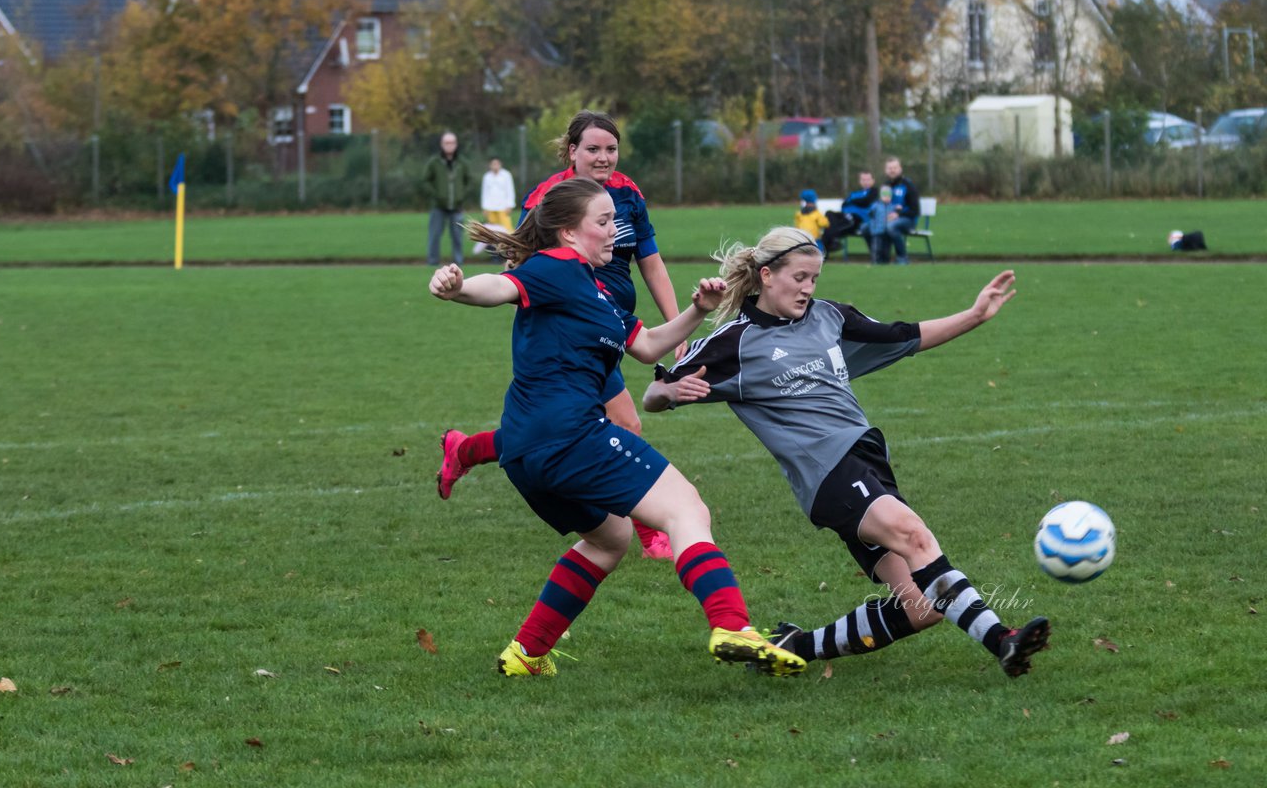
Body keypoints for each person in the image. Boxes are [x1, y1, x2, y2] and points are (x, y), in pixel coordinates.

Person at [428, 178, 807, 679]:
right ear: (567, 232)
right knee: (686, 508)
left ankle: (526, 653)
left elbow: (647, 346)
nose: (615, 231)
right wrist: (457, 290)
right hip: (571, 438)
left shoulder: (596, 290)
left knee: (610, 540)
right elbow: (500, 287)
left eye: (615, 220)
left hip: (524, 452)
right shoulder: (554, 268)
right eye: (603, 222)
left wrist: (697, 310)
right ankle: (733, 625)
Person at [643, 227, 1050, 679]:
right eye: (799, 277)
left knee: (920, 608)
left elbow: (905, 335)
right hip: (827, 474)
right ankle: (1002, 641)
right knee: (913, 535)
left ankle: (795, 645)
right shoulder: (735, 343)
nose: (808, 288)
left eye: (814, 279)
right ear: (766, 275)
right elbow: (654, 394)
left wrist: (975, 315)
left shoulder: (830, 317)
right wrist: (670, 391)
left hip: (867, 462)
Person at [437, 111, 685, 560]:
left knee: (556, 428)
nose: (603, 157)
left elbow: (650, 259)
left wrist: (674, 320)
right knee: (623, 422)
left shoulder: (628, 194)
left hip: (614, 327)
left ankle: (464, 449)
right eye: (592, 149)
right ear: (572, 151)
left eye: (611, 149)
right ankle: (652, 532)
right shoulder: (552, 196)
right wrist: (472, 289)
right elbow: (518, 262)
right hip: (573, 330)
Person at [423, 131, 472, 266]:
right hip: (438, 206)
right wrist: (436, 195)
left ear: (456, 145)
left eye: (452, 143)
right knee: (434, 235)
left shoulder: (462, 163)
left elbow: (469, 181)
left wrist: (461, 195)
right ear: (441, 144)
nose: (449, 145)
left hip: (457, 207)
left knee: (457, 236)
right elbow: (426, 180)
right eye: (446, 143)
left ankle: (458, 262)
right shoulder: (434, 162)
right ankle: (432, 262)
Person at [818, 172, 876, 260]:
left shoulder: (874, 192)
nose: (866, 182)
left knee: (829, 230)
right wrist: (854, 201)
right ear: (860, 181)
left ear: (873, 181)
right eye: (863, 180)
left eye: (868, 180)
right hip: (845, 216)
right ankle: (833, 242)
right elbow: (843, 205)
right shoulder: (854, 193)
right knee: (829, 213)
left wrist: (852, 201)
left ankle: (824, 253)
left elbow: (865, 201)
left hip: (857, 219)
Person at [883, 156, 920, 265]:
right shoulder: (885, 186)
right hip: (888, 219)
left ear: (900, 169)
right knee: (868, 227)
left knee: (891, 226)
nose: (892, 170)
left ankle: (902, 257)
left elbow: (915, 210)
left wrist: (898, 214)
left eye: (895, 168)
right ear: (886, 170)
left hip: (908, 220)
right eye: (889, 168)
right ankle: (880, 258)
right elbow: (882, 205)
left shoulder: (908, 185)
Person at [480, 156, 517, 232]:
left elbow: (510, 190)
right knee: (493, 231)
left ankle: (510, 244)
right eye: (493, 164)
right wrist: (485, 207)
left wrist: (510, 205)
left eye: (497, 164)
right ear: (490, 165)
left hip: (503, 207)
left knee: (508, 230)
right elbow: (484, 193)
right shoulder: (487, 176)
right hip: (490, 207)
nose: (495, 166)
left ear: (500, 164)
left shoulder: (506, 175)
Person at [793, 189, 829, 253]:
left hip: (802, 239)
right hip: (814, 240)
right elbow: (824, 224)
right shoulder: (816, 213)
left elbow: (797, 227)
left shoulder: (799, 214)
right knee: (818, 255)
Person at [868, 185, 894, 265]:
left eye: (889, 196)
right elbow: (871, 217)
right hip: (877, 231)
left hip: (887, 231)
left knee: (886, 248)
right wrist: (873, 228)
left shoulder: (892, 207)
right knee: (876, 247)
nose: (887, 198)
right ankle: (875, 261)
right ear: (881, 196)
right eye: (885, 196)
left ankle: (885, 261)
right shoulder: (875, 206)